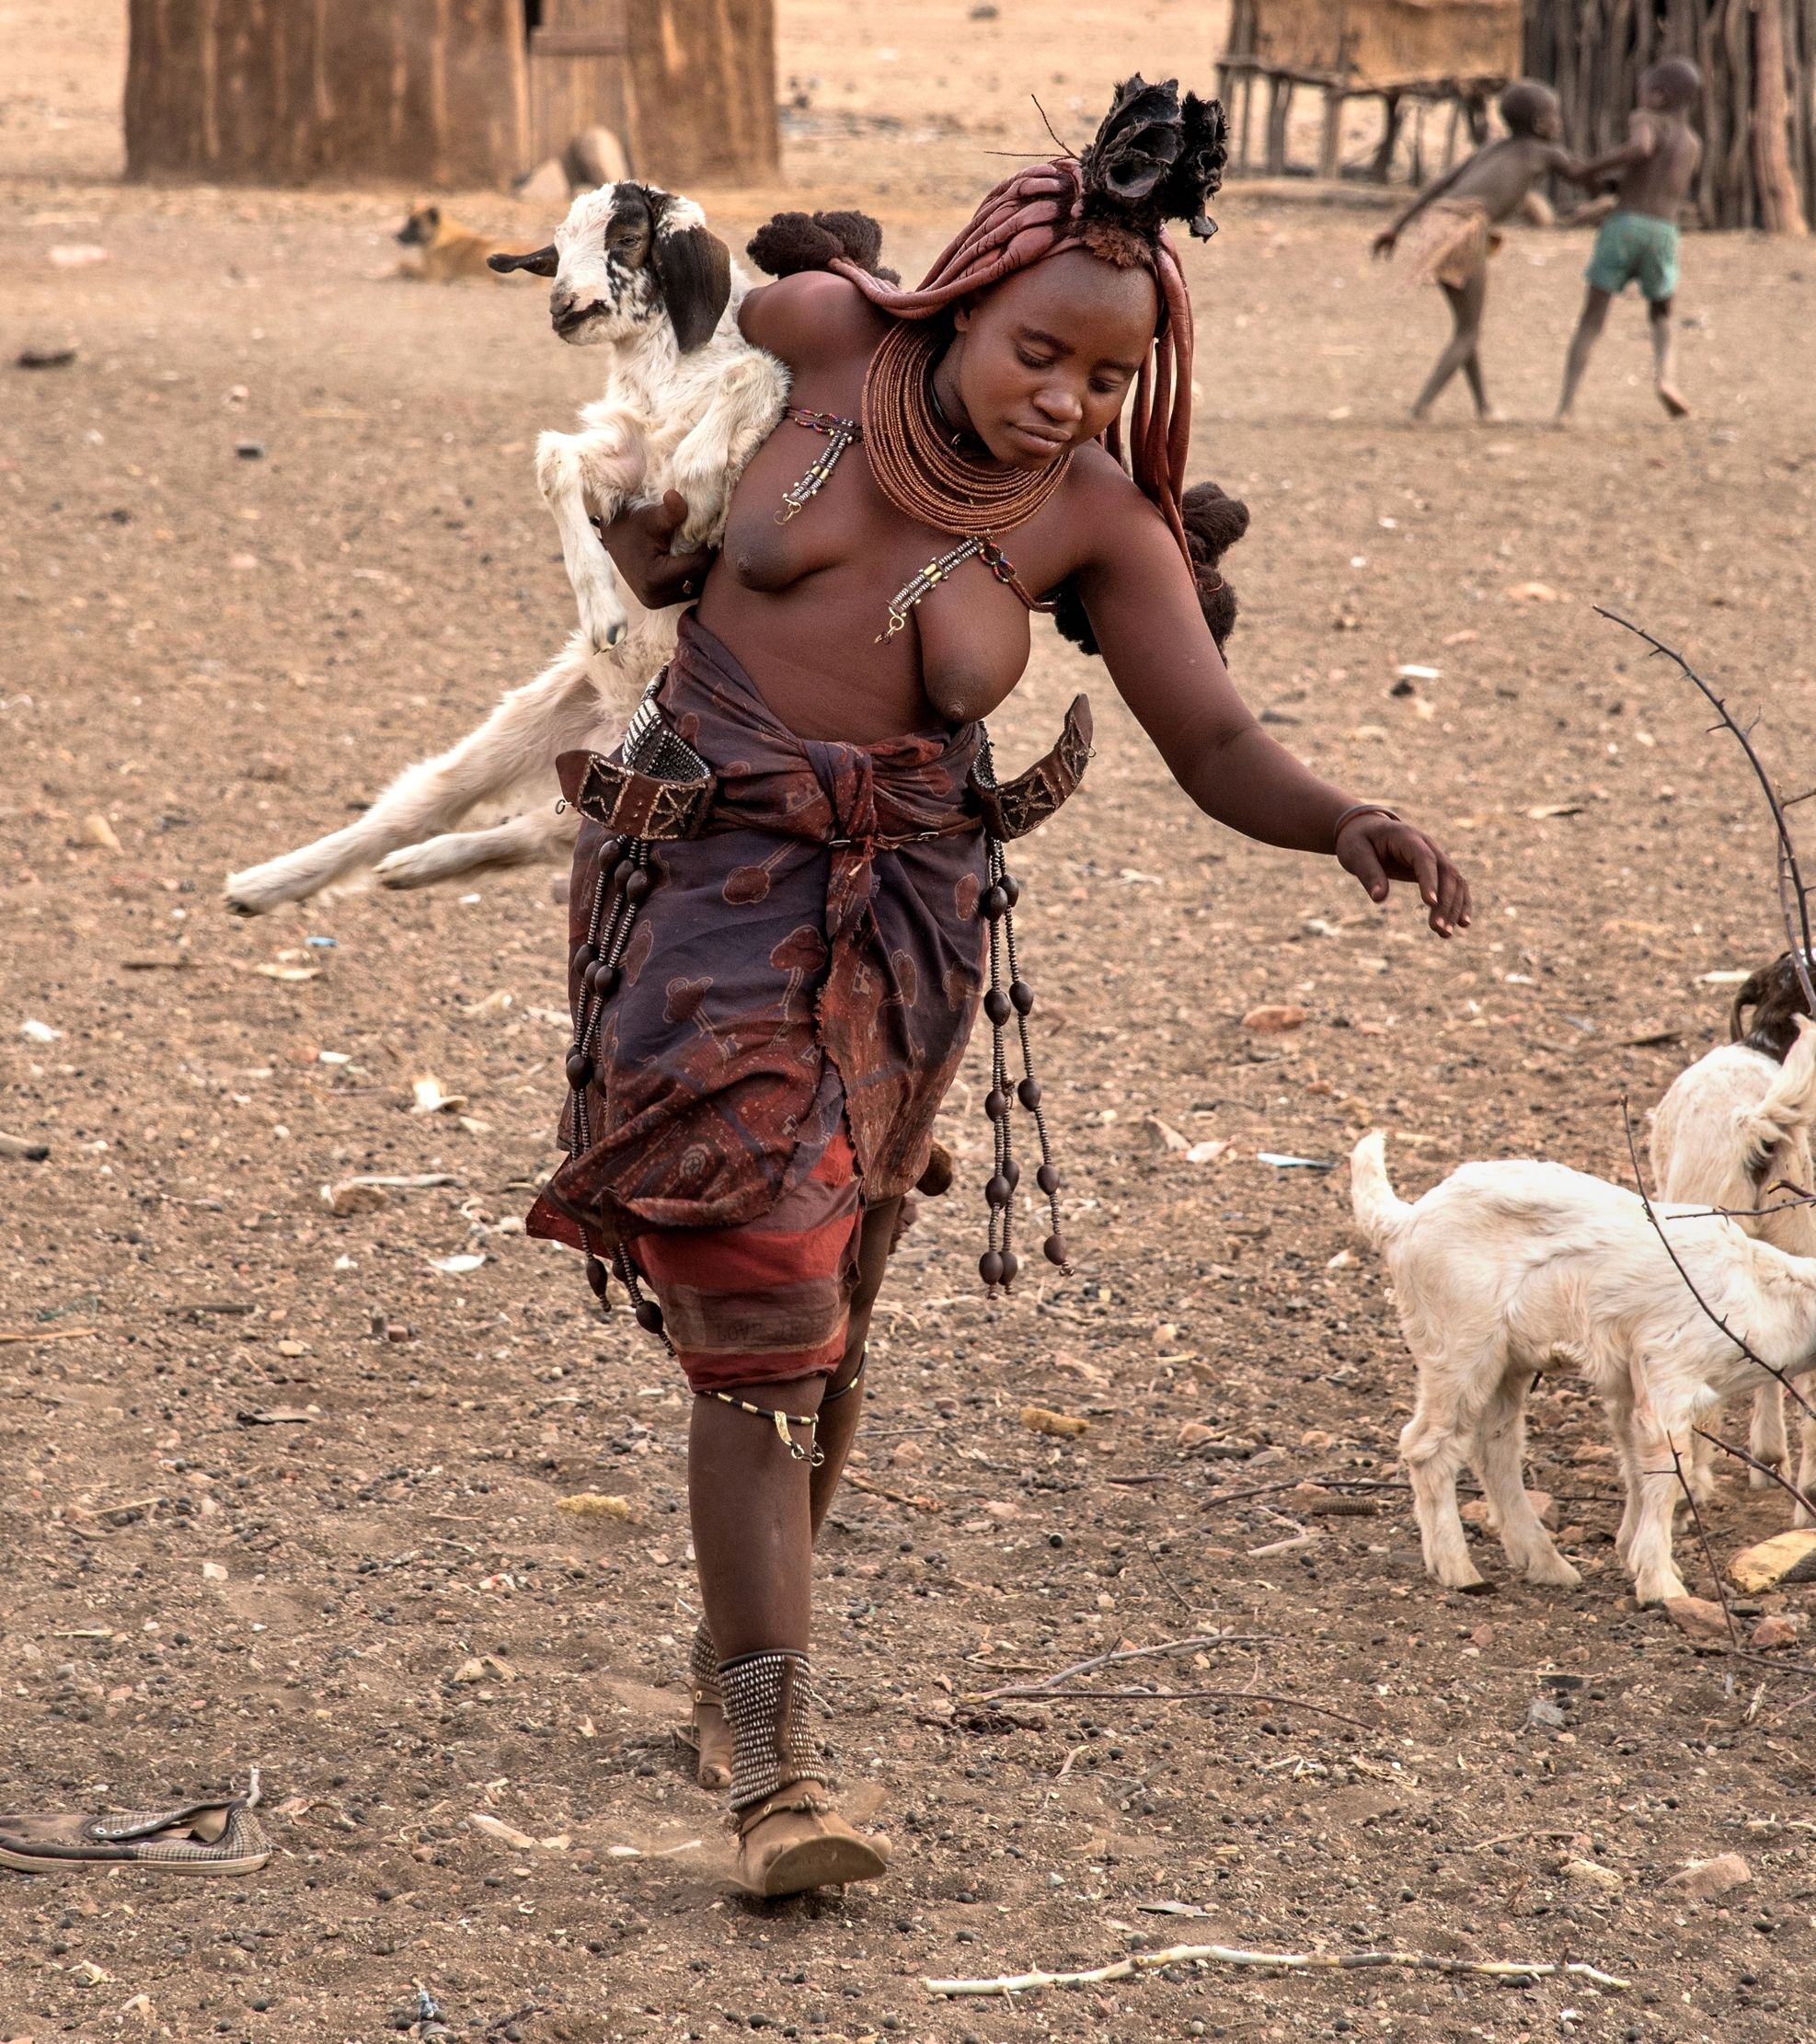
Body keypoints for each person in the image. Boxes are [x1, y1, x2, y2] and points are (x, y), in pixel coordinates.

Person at [532, 77, 1472, 1899]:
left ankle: (737, 1676)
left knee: (830, 1294)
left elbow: (1209, 734)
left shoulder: (1095, 522)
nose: (1065, 396)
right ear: (962, 297)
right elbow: (643, 391)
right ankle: (779, 1771)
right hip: (702, 876)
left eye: (1105, 379)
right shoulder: (818, 339)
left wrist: (1347, 817)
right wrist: (643, 518)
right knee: (760, 1290)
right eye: (1042, 350)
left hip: (904, 927)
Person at [1371, 81, 1579, 421]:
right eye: (1554, 116)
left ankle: (1484, 406)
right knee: (1468, 331)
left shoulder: (1491, 148)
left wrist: (1396, 226)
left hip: (1438, 221)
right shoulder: (1545, 152)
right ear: (1541, 122)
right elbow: (1582, 175)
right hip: (1465, 229)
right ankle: (1422, 407)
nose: (1559, 122)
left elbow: (1440, 185)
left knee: (1466, 325)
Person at [1556, 58, 1703, 421]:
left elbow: (1640, 150)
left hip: (1624, 227)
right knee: (1661, 312)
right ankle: (1666, 379)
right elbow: (1656, 180)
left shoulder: (1646, 119)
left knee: (1592, 318)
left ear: (1657, 94)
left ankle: (1567, 406)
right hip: (1664, 232)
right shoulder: (1692, 143)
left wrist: (1588, 168)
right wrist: (1609, 186)